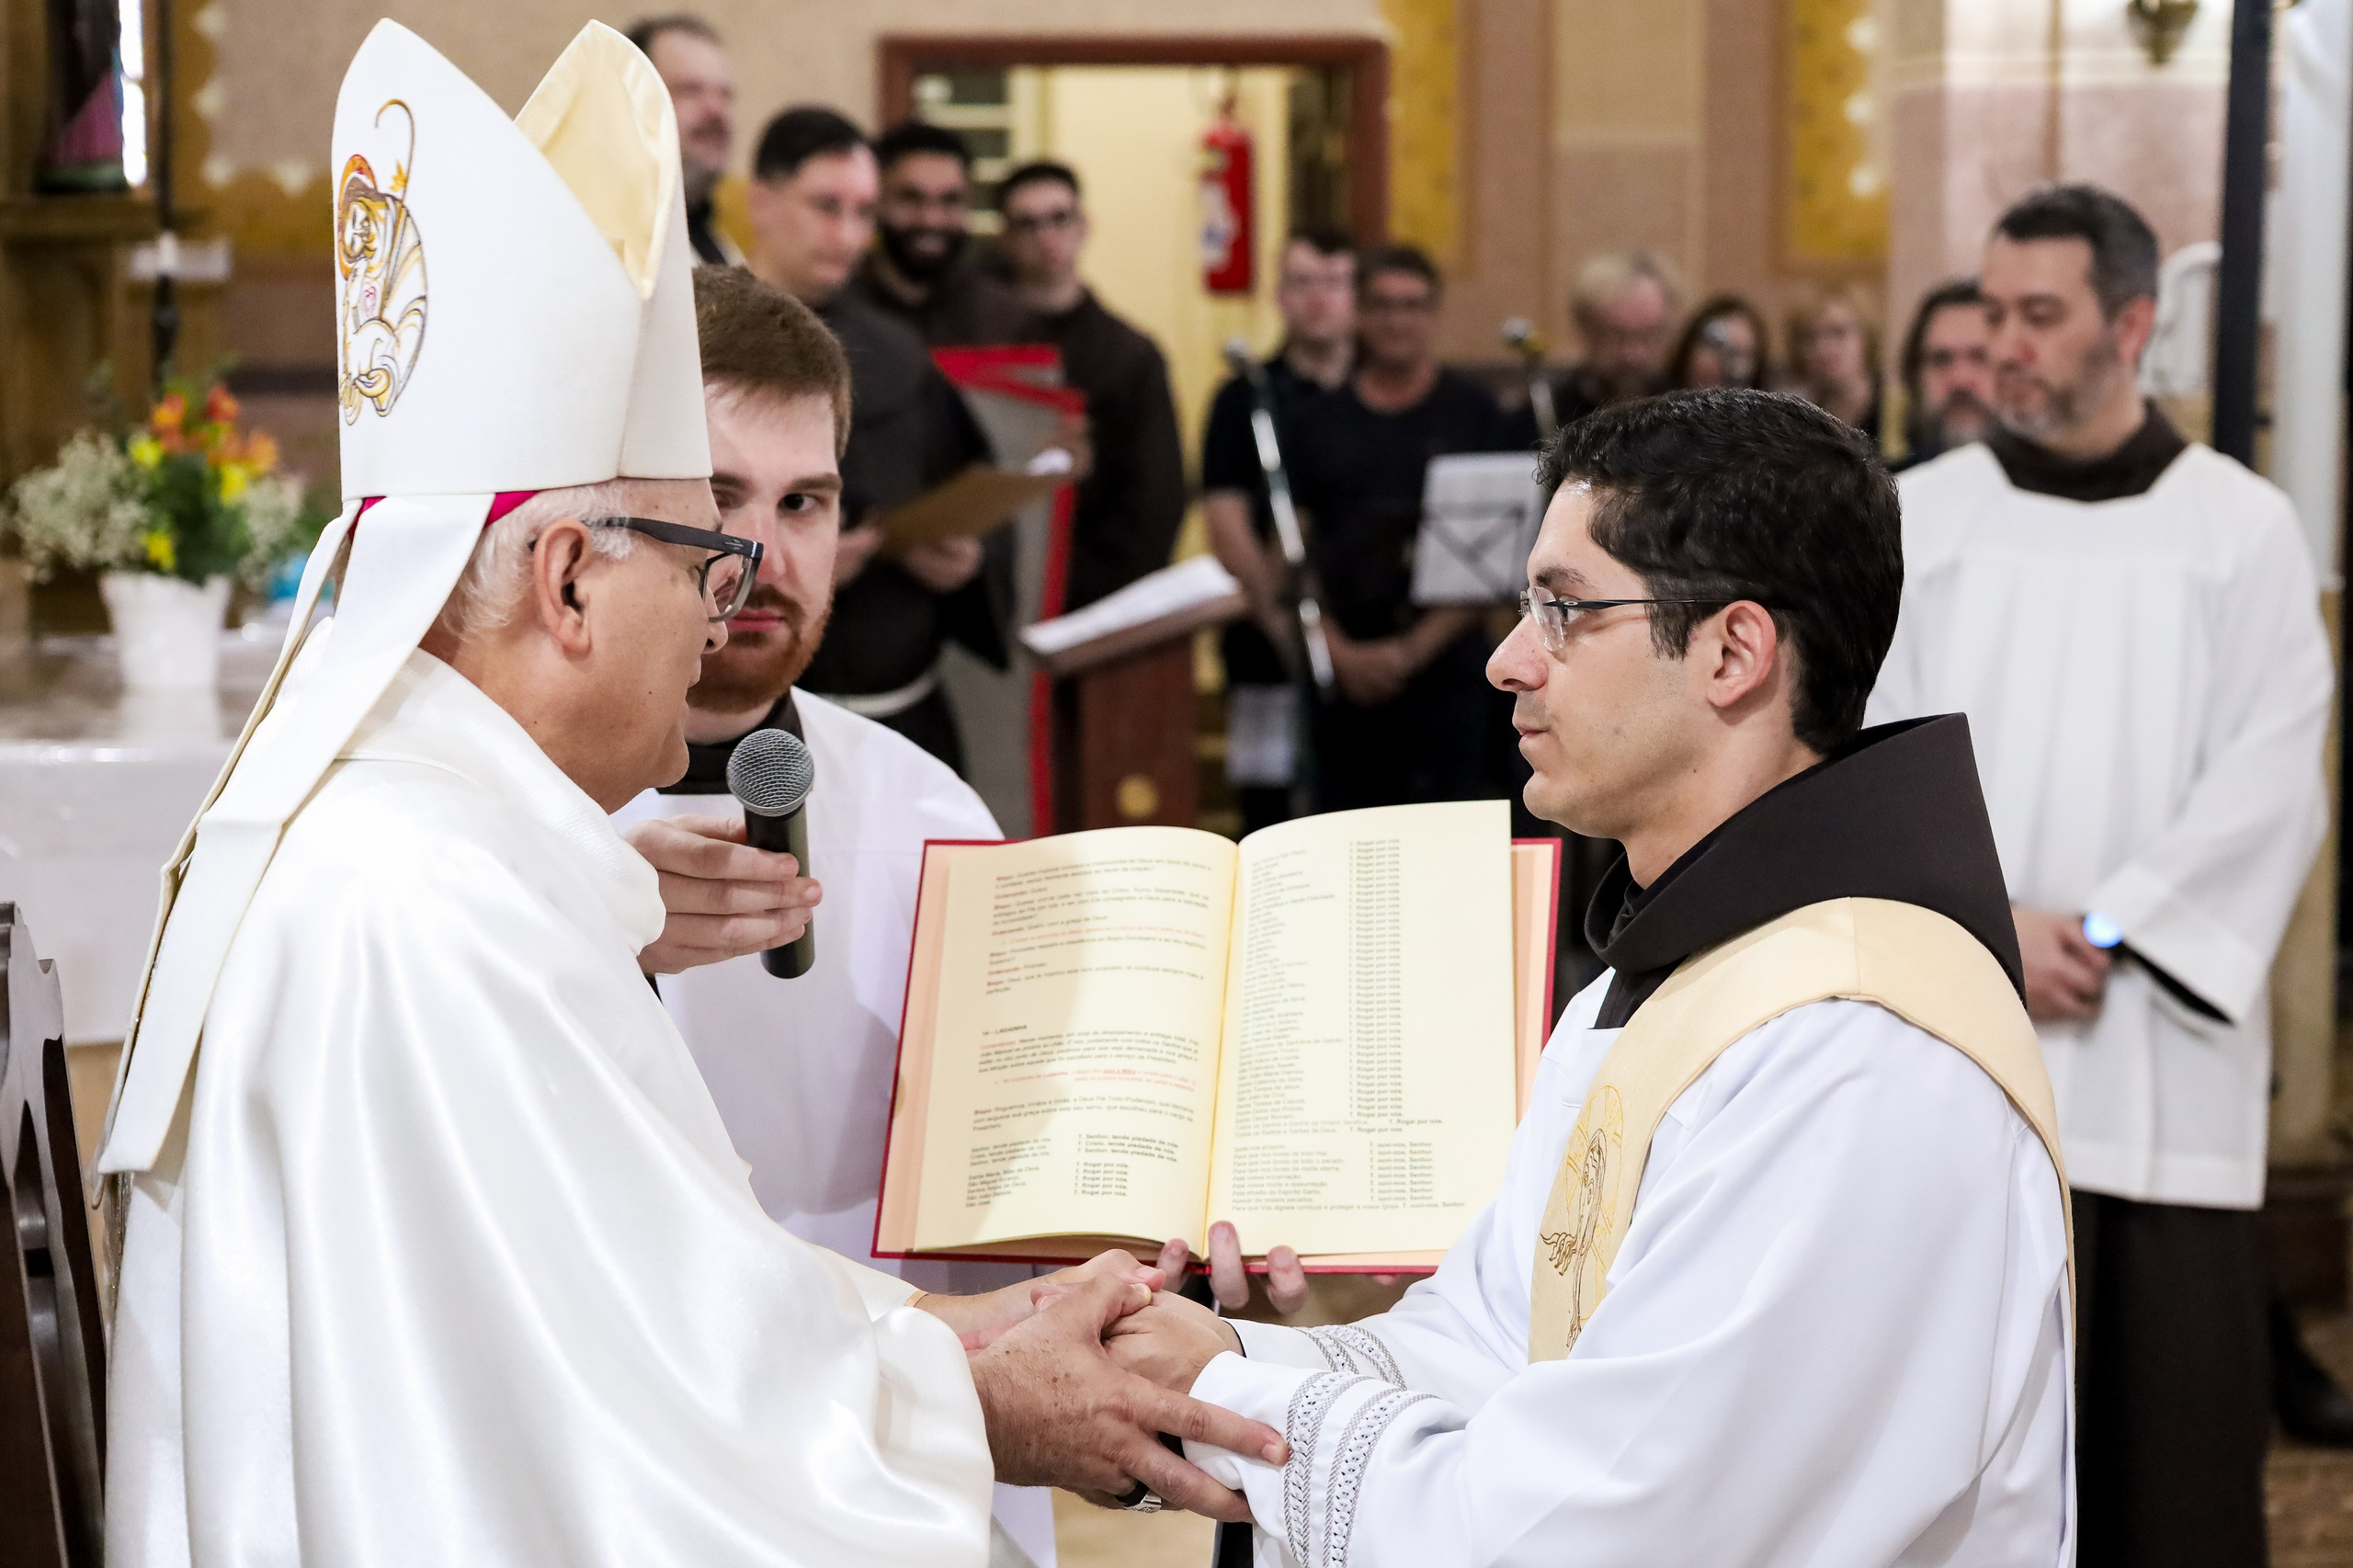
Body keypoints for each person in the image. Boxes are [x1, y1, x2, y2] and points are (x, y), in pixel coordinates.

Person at [97, 22, 1282, 1564]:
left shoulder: (422, 847)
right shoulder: (448, 911)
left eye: (799, 513)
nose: (737, 586)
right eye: (704, 543)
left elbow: (663, 1308)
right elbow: (666, 1418)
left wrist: (1004, 1326)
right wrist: (979, 1397)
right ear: (575, 580)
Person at [1106, 388, 2073, 1565]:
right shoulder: (1662, 982)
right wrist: (1201, 1361)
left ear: (1731, 650)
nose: (1509, 661)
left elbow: (1595, 1524)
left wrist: (1209, 1391)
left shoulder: (1858, 1056)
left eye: (1564, 609)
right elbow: (1490, 1345)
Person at [1869, 183, 2333, 1567]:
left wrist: (2119, 926)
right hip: (1965, 1033)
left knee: (2167, 1460)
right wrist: (1988, 920)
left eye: (2038, 314)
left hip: (2153, 1061)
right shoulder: (1916, 516)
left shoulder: (2238, 527)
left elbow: (2274, 774)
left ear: (2131, 323)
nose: (1997, 342)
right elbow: (1860, 752)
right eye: (1990, 309)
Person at [605, 266, 1059, 1564]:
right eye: (720, 499)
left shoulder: (929, 808)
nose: (764, 554)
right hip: (657, 1456)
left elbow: (1005, 1180)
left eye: (806, 501)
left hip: (906, 1447)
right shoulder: (525, 820)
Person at [745, 107, 1006, 773]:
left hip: (905, 712)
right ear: (761, 202)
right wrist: (792, 563)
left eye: (864, 211)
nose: (850, 235)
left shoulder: (897, 351)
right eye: (828, 206)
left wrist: (962, 558)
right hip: (756, 719)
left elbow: (968, 482)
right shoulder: (699, 347)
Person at [1281, 244, 1512, 812]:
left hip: (1450, 670)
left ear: (1433, 315)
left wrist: (1411, 651)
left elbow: (1502, 556)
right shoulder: (1314, 422)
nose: (1396, 320)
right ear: (1359, 312)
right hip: (1343, 676)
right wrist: (1336, 650)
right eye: (1382, 305)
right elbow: (1291, 552)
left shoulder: (1476, 415)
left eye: (1412, 306)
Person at [1199, 226, 1357, 835]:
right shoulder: (1243, 398)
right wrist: (1276, 622)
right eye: (1302, 283)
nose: (1319, 298)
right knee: (1263, 805)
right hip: (1263, 637)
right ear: (1279, 294)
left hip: (1361, 628)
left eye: (1335, 283)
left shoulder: (1380, 391)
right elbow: (1225, 520)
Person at [998, 159, 1188, 610]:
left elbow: (1157, 495)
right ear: (1006, 239)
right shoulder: (981, 340)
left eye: (1059, 218)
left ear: (1083, 227)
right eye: (1028, 224)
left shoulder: (1130, 355)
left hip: (1102, 592)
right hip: (994, 585)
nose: (1046, 237)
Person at [850, 119, 1038, 347]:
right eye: (910, 198)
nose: (931, 219)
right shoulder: (833, 309)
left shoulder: (1004, 319)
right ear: (876, 201)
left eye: (950, 200)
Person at [626, 13, 739, 266]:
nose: (716, 111)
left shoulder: (718, 243)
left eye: (725, 95)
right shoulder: (609, 237)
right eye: (690, 90)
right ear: (632, 102)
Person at [1894, 277, 1994, 469]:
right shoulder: (1882, 493)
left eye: (1980, 357)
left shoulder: (2055, 494)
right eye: (1941, 360)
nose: (1960, 380)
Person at [1787, 281, 1884, 443]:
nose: (1823, 348)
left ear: (1867, 338)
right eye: (1811, 337)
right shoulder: (1797, 418)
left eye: (1838, 333)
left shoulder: (1897, 412)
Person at [1668, 292, 1769, 390]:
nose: (1723, 361)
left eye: (1738, 353)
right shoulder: (1657, 400)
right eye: (1715, 345)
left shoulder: (1767, 402)